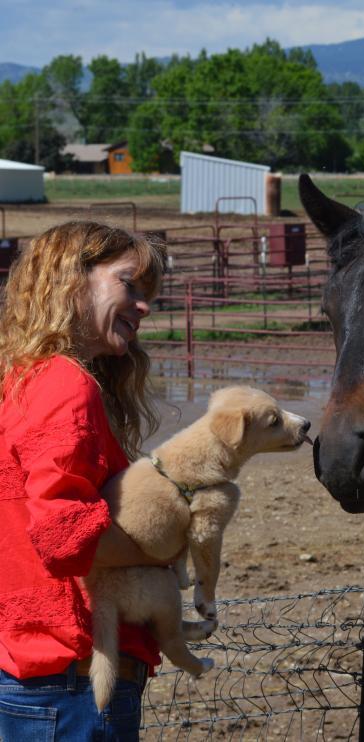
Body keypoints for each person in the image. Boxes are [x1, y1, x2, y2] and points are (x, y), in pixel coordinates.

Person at [0, 221, 169, 740]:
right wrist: (164, 547)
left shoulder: (20, 381)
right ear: (72, 279)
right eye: (129, 284)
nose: (143, 306)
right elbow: (62, 538)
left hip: (30, 673)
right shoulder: (67, 384)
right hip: (74, 684)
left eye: (148, 293)